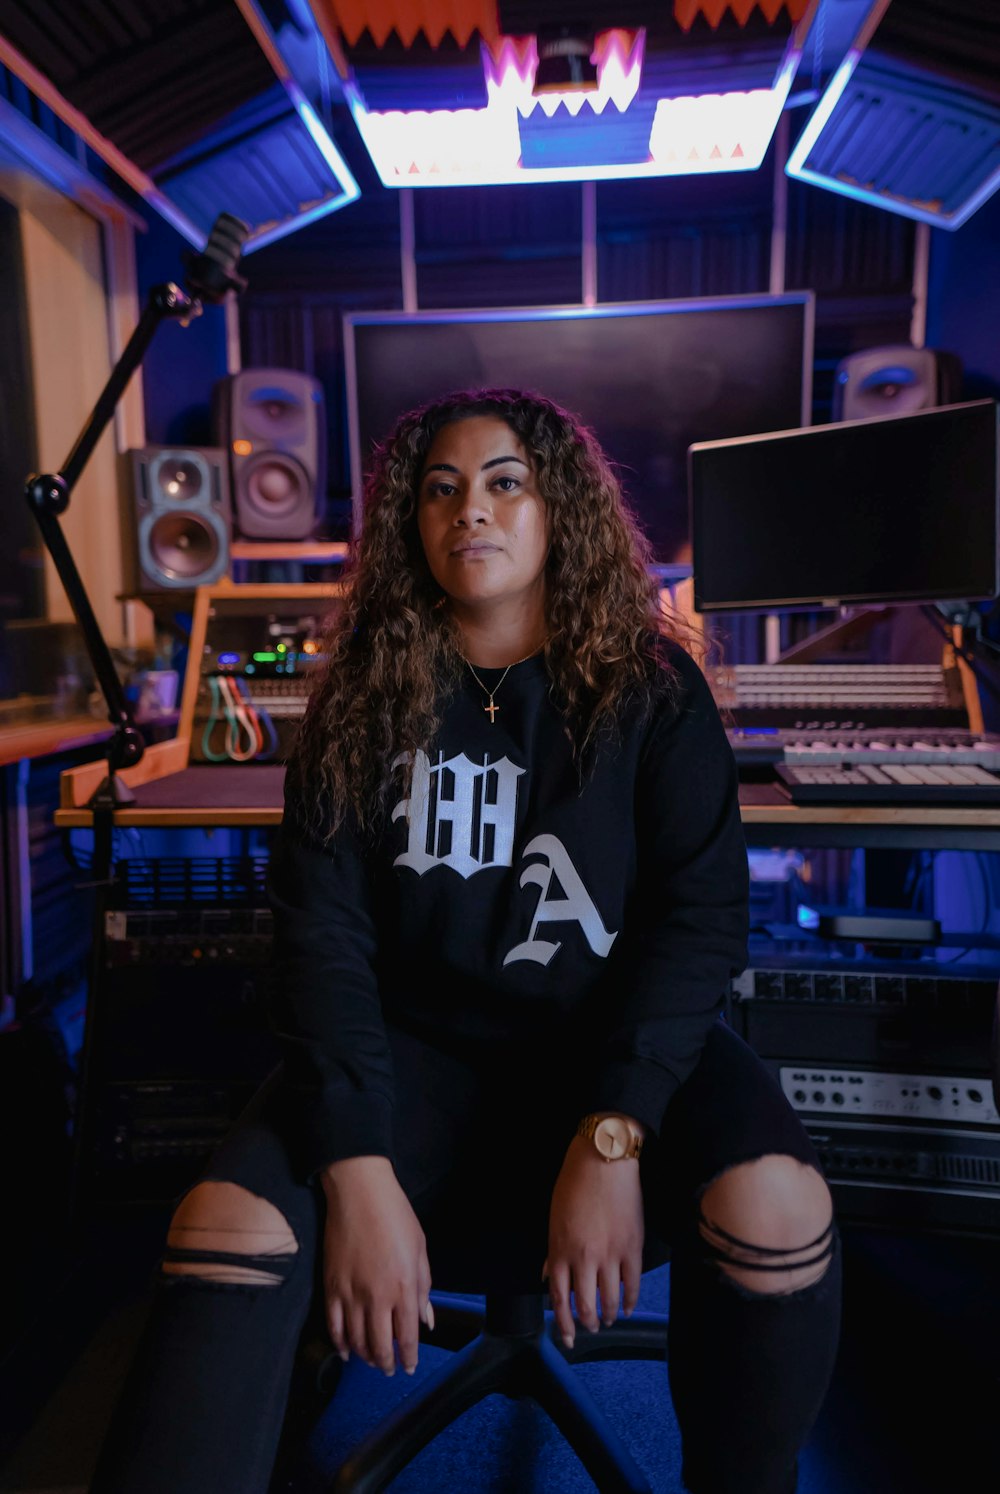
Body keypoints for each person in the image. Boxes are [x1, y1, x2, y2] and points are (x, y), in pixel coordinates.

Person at [90, 386, 841, 1494]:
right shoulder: (361, 695)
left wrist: (615, 1131)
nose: (468, 512)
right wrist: (356, 1167)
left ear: (559, 512)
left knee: (778, 1211)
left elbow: (697, 924)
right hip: (409, 1054)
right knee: (221, 1231)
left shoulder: (653, 687)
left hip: (612, 1046)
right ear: (410, 523)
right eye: (439, 490)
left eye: (503, 484)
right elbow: (320, 936)